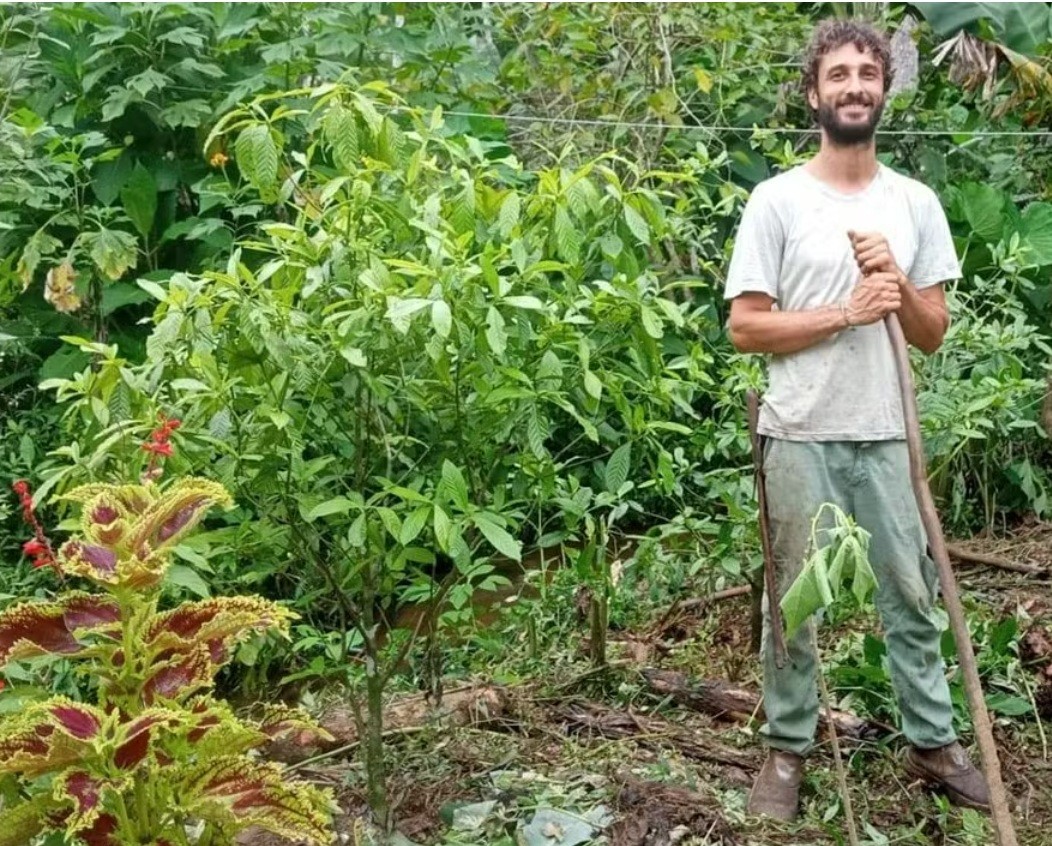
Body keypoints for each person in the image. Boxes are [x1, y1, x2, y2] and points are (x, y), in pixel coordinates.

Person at [724, 19, 992, 821]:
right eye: (837, 74)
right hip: (799, 430)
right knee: (794, 601)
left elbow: (932, 333)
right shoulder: (777, 200)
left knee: (911, 594)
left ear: (884, 92)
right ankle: (786, 750)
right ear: (814, 93)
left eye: (866, 74)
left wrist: (896, 281)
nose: (853, 86)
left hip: (887, 434)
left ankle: (933, 742)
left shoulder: (915, 203)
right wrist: (844, 310)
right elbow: (745, 327)